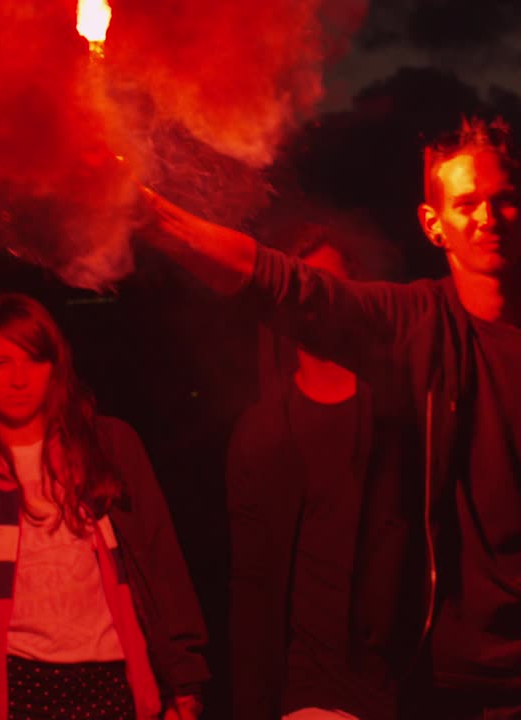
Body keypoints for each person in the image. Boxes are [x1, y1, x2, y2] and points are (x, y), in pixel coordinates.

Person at [143, 117, 521, 719]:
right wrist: (149, 216)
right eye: (466, 203)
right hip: (428, 692)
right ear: (433, 224)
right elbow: (280, 284)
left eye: (504, 200)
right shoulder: (414, 327)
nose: (488, 218)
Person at [0, 293, 210, 720]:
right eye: (1, 363)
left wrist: (185, 680)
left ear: (55, 367)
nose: (19, 379)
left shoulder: (109, 448)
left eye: (34, 360)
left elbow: (162, 563)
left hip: (115, 682)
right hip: (16, 688)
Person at [226, 215, 402, 720]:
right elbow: (252, 583)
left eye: (326, 288)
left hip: (399, 687)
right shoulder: (262, 431)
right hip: (307, 691)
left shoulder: (405, 413)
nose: (311, 305)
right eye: (298, 290)